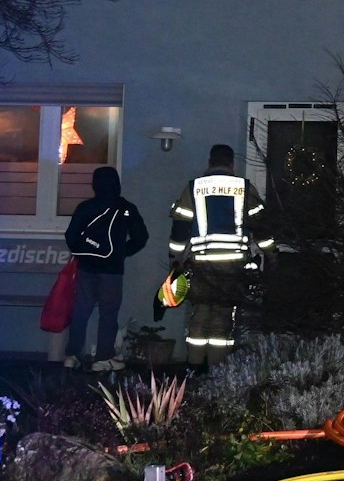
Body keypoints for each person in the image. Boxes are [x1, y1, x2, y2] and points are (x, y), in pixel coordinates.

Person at [167, 144, 272, 361]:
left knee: (200, 315)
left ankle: (195, 367)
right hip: (232, 267)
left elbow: (180, 228)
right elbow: (261, 227)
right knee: (223, 319)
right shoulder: (244, 188)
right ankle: (217, 370)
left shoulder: (194, 188)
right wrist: (272, 253)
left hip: (201, 265)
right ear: (232, 164)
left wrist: (175, 260)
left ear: (210, 162)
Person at [62, 166, 149, 370]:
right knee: (108, 312)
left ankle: (72, 355)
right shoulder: (126, 208)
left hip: (86, 268)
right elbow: (141, 237)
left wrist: (83, 254)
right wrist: (122, 253)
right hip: (112, 271)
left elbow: (71, 236)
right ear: (116, 184)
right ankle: (103, 358)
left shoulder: (85, 207)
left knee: (81, 310)